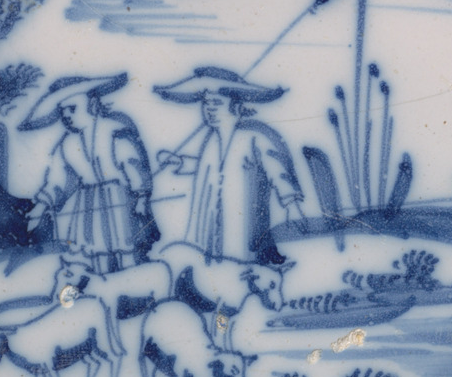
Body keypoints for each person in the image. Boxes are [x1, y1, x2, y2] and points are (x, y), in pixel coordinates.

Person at [154, 66, 304, 265]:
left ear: (236, 105)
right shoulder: (211, 140)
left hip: (242, 218)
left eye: (216, 103)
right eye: (206, 103)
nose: (209, 109)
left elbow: (278, 171)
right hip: (209, 219)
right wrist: (180, 162)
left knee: (243, 259)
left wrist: (292, 204)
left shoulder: (256, 136)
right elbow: (208, 168)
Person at [19, 73, 158, 271]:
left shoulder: (114, 131)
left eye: (72, 108)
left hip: (119, 198)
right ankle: (102, 280)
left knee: (126, 245)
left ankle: (133, 276)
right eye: (63, 112)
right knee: (96, 249)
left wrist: (142, 196)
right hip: (89, 203)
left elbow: (131, 162)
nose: (67, 116)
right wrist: (40, 207)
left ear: (92, 104)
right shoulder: (68, 144)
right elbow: (59, 179)